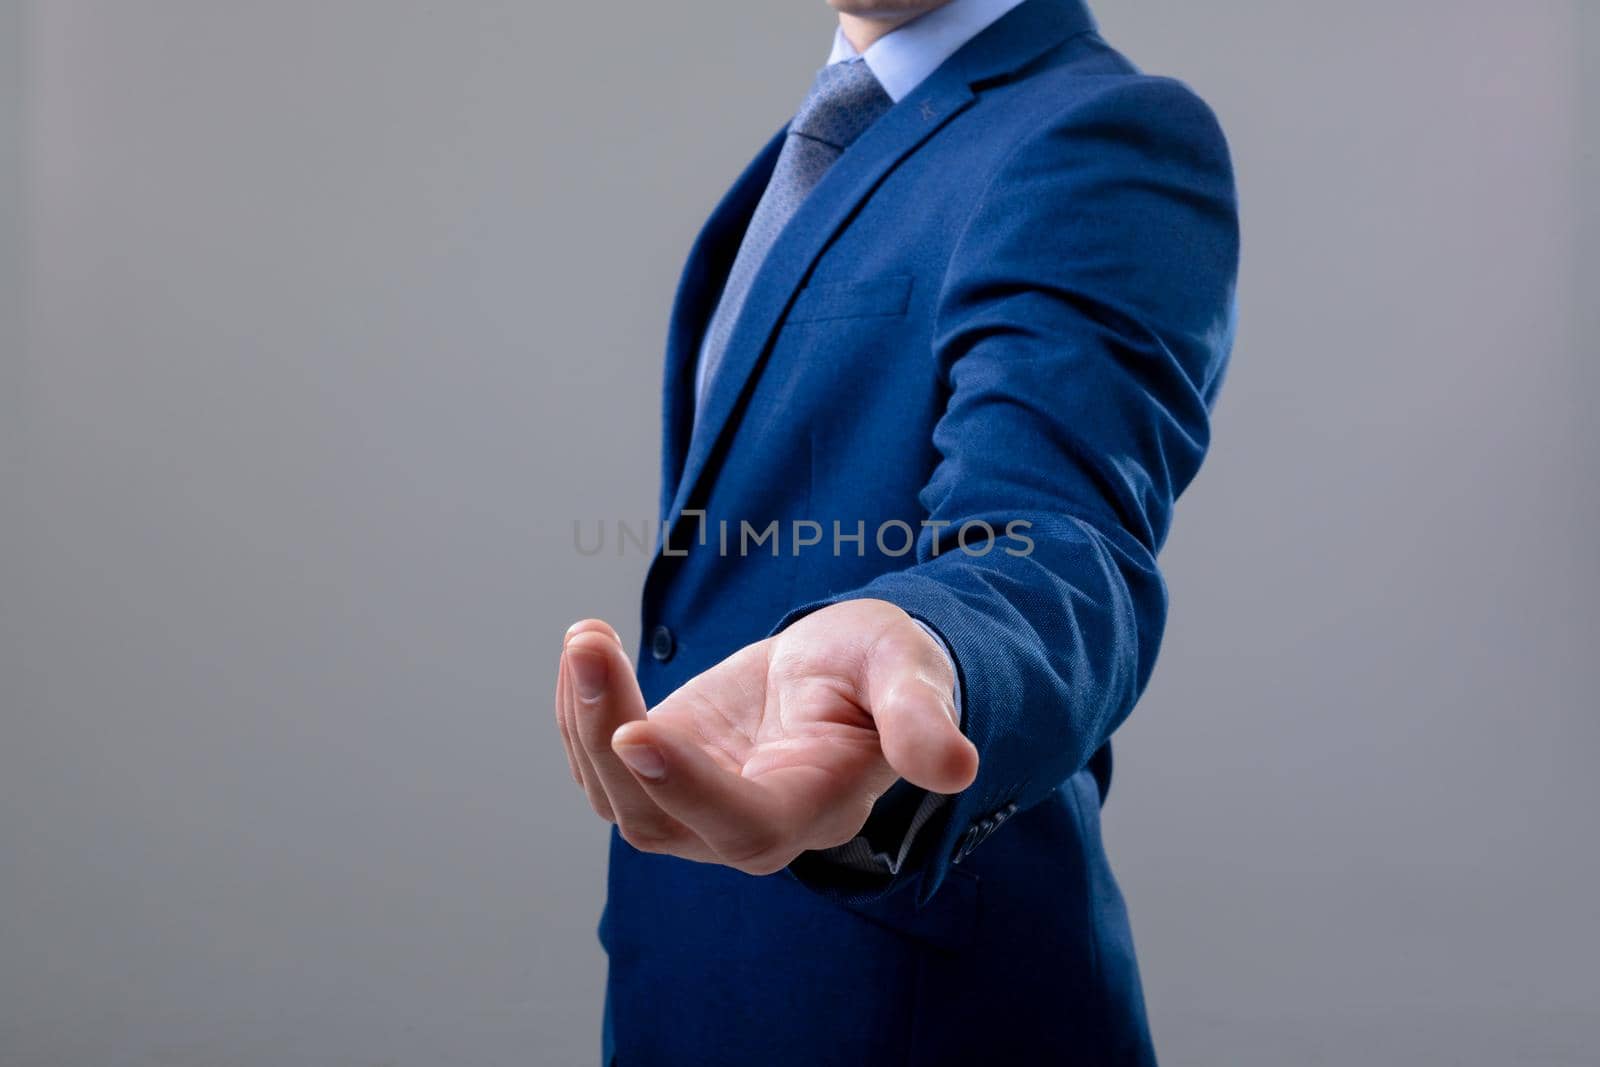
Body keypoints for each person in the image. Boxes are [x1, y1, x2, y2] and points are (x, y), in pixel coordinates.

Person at [552, 0, 1238, 1062]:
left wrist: (931, 644)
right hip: (692, 982)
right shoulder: (812, 150)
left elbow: (1062, 539)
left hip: (913, 1013)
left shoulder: (1103, 135)